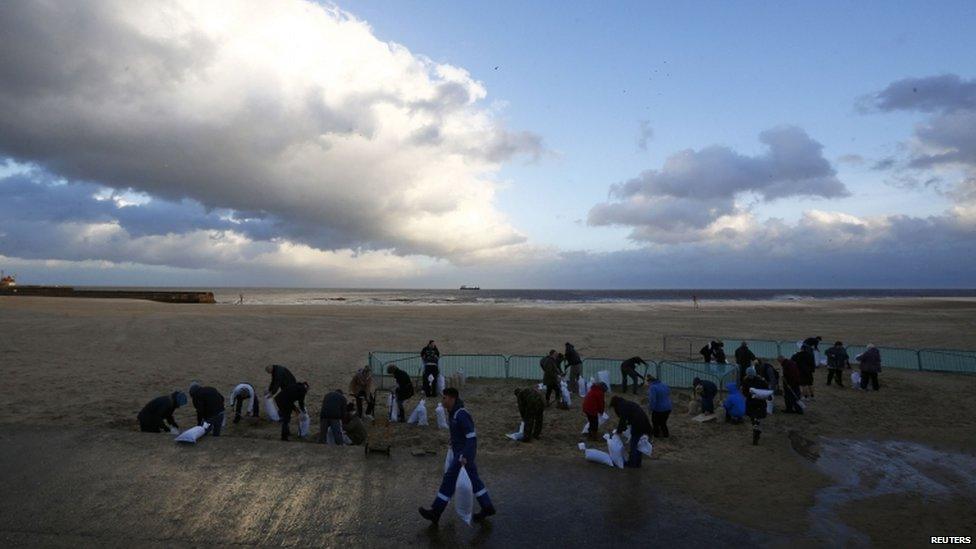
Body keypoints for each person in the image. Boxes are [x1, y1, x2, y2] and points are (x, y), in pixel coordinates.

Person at [419, 388, 496, 525]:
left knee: (449, 479)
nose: (442, 400)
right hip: (460, 452)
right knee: (474, 481)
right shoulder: (453, 413)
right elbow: (459, 433)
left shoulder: (461, 414)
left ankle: (435, 512)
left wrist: (465, 456)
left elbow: (472, 437)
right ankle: (487, 507)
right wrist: (453, 441)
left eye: (444, 398)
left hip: (463, 455)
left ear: (452, 398)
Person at [609, 396, 652, 468]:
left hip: (638, 424)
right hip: (644, 423)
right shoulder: (627, 404)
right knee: (637, 444)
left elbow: (622, 420)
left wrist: (619, 431)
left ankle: (632, 463)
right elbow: (627, 419)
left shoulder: (622, 407)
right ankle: (638, 463)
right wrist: (623, 428)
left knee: (633, 445)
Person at [741, 366, 770, 445]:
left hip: (751, 402)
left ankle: (755, 427)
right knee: (758, 416)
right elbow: (767, 390)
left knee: (753, 416)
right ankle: (757, 426)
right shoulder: (761, 380)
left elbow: (744, 392)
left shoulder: (745, 381)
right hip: (760, 402)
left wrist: (749, 395)